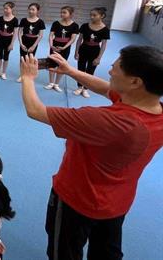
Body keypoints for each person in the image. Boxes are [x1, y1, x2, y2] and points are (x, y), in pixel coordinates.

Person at [20, 46, 163, 260]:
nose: (110, 70)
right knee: (106, 252)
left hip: (77, 200)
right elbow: (106, 89)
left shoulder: (111, 122)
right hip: (116, 203)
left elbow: (35, 110)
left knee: (64, 252)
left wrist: (27, 78)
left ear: (135, 82)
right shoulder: (153, 109)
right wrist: (71, 71)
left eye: (116, 67)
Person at [74, 7, 110, 98]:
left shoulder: (105, 29)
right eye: (91, 15)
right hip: (83, 49)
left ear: (102, 16)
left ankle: (86, 88)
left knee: (90, 71)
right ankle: (79, 87)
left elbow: (104, 44)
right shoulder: (85, 26)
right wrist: (76, 51)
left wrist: (99, 58)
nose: (91, 17)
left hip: (95, 51)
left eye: (94, 15)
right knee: (80, 70)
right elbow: (79, 39)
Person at [45, 6, 79, 92]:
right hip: (55, 46)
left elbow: (73, 39)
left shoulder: (75, 25)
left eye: (64, 12)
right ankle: (51, 82)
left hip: (65, 47)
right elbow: (51, 35)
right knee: (52, 64)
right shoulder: (56, 23)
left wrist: (64, 47)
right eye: (61, 12)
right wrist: (51, 45)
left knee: (62, 65)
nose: (62, 14)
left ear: (70, 14)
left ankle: (56, 84)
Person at [17, 3, 46, 82]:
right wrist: (21, 43)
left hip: (33, 41)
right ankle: (22, 75)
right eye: (29, 9)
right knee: (22, 58)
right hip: (24, 40)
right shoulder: (24, 20)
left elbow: (40, 35)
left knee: (30, 59)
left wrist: (34, 46)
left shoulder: (40, 22)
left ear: (37, 11)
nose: (30, 11)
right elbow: (19, 32)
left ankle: (28, 75)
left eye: (33, 9)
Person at [0, 2, 18, 80]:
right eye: (4, 8)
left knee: (6, 56)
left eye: (7, 8)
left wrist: (12, 44)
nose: (5, 10)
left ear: (12, 9)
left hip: (9, 39)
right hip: (0, 38)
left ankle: (4, 72)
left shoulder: (15, 20)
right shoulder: (0, 18)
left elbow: (15, 33)